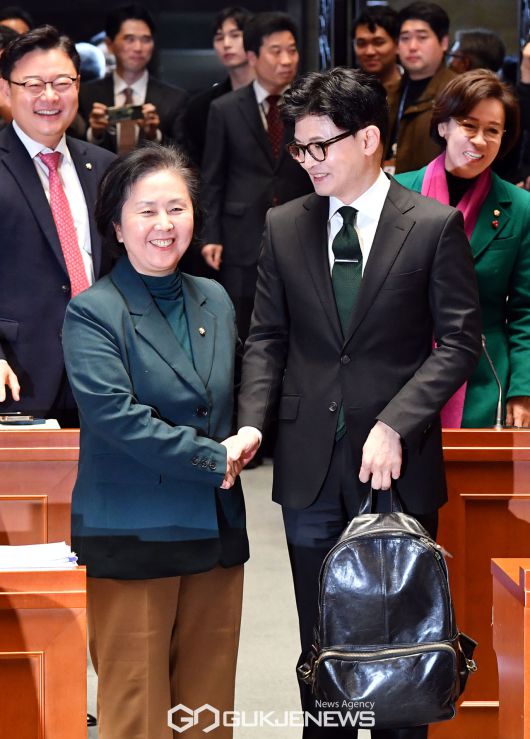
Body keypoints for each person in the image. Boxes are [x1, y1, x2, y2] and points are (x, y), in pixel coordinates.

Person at [234, 67, 481, 738]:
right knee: (324, 651)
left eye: (321, 145)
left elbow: (460, 341)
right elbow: (267, 337)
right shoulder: (285, 225)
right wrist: (252, 424)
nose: (308, 160)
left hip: (398, 466)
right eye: (299, 148)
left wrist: (397, 421)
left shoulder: (431, 226)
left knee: (403, 647)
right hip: (309, 466)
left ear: (368, 138)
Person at [62, 144, 249, 739]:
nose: (164, 224)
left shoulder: (215, 298)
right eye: (146, 211)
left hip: (215, 530)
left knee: (207, 712)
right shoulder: (93, 311)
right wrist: (215, 457)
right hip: (135, 531)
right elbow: (117, 418)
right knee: (138, 711)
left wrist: (249, 431)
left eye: (176, 208)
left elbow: (236, 388)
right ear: (116, 227)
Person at [395, 69, 530, 428]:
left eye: (493, 130)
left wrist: (523, 390)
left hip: (485, 378)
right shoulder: (395, 194)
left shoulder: (520, 207)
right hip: (400, 371)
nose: (480, 141)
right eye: (469, 126)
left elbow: (525, 311)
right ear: (443, 126)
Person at [0, 25, 115, 425]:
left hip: (105, 372)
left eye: (61, 83)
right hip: (17, 374)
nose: (49, 96)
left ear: (78, 86)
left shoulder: (106, 167)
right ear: (6, 89)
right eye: (33, 84)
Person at [200, 11, 312, 342]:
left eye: (292, 50)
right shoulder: (225, 108)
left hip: (301, 227)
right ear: (252, 56)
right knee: (244, 326)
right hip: (242, 235)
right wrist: (211, 235)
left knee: (300, 320)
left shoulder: (311, 106)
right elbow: (213, 177)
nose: (286, 60)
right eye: (276, 51)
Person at [78, 3, 188, 155]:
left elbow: (184, 156)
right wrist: (95, 134)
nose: (138, 48)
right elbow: (72, 147)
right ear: (110, 44)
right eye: (129, 39)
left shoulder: (175, 99)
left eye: (146, 39)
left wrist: (154, 136)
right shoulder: (85, 95)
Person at [387, 1, 456, 174]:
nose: (412, 47)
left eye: (422, 37)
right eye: (405, 38)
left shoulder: (458, 92)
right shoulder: (388, 92)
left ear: (444, 42)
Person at [183, 6, 255, 168]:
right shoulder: (202, 106)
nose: (226, 44)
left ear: (253, 39)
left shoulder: (273, 97)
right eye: (219, 38)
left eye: (235, 35)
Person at [352, 6, 401, 92]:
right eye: (361, 43)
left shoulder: (413, 86)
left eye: (378, 42)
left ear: (397, 45)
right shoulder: (347, 89)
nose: (369, 52)